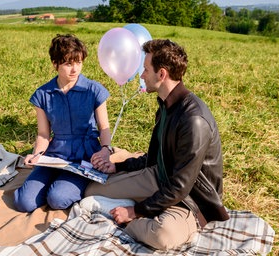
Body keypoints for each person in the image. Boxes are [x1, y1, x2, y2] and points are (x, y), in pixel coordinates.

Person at [86, 39, 230, 251]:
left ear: (161, 74)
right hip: (160, 178)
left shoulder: (193, 121)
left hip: (189, 200)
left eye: (145, 70)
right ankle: (143, 209)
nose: (142, 75)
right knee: (91, 191)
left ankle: (133, 218)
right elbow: (153, 157)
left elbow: (181, 186)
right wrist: (119, 167)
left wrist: (134, 212)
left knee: (162, 236)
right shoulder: (165, 105)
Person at [14, 34, 113, 213]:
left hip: (85, 157)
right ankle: (55, 181)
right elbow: (43, 134)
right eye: (68, 63)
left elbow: (104, 127)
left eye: (79, 62)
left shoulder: (94, 90)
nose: (74, 69)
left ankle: (73, 185)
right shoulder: (42, 94)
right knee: (24, 203)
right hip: (55, 156)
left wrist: (105, 150)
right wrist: (36, 154)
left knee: (57, 199)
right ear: (55, 64)